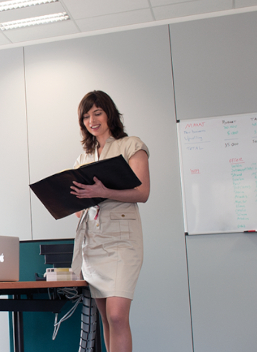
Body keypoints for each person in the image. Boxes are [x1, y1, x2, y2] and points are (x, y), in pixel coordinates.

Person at [68, 91, 150, 352]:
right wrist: (73, 202)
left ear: (109, 114)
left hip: (122, 242)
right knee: (105, 318)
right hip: (94, 243)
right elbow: (81, 209)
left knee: (117, 315)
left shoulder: (131, 145)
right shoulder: (83, 158)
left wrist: (103, 192)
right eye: (86, 116)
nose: (92, 120)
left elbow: (143, 193)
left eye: (97, 113)